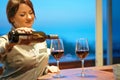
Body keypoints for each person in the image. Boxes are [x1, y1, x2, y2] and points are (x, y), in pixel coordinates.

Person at [0, 0, 59, 80]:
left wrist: (46, 69)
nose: (29, 17)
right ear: (12, 19)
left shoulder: (40, 38)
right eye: (22, 15)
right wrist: (12, 41)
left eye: (31, 13)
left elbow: (35, 65)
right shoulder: (6, 39)